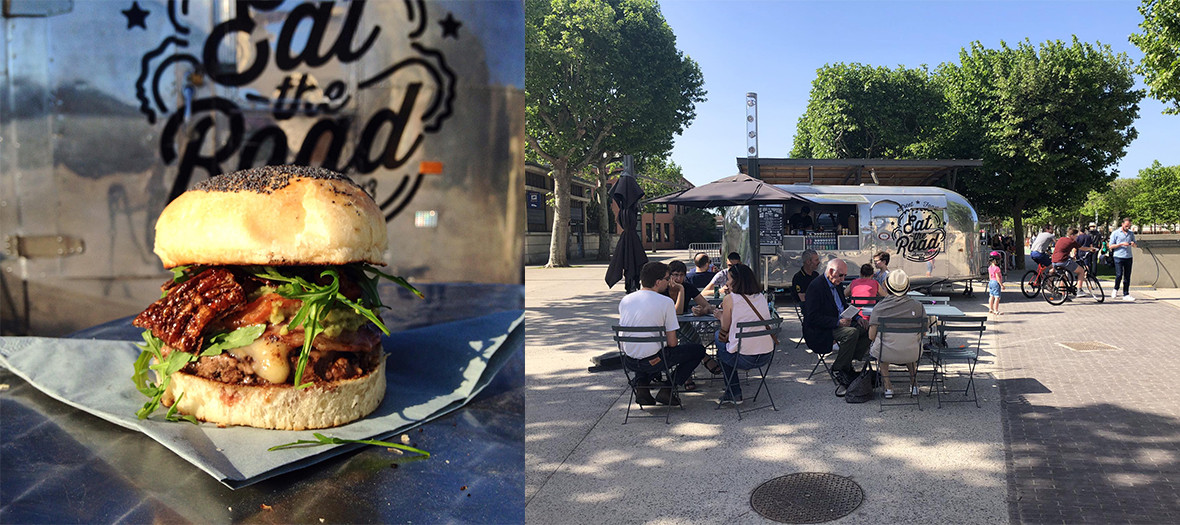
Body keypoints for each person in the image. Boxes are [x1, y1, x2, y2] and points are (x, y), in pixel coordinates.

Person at [618, 262, 707, 406]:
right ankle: (669, 387)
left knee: (646, 350)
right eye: (667, 278)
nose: (669, 281)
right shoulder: (665, 302)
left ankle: (642, 385)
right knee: (698, 350)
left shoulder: (625, 300)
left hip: (629, 361)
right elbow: (673, 343)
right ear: (658, 282)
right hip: (654, 362)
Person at [713, 263, 775, 405]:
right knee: (725, 346)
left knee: (719, 339)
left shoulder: (730, 299)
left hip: (745, 358)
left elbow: (725, 328)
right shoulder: (760, 297)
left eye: (728, 279)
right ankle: (733, 392)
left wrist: (720, 316)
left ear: (736, 280)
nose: (727, 283)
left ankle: (734, 392)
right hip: (766, 355)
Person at [802, 258, 870, 387]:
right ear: (831, 271)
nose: (843, 279)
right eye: (841, 275)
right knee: (851, 333)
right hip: (821, 329)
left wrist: (857, 317)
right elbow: (812, 317)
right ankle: (839, 368)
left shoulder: (837, 284)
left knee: (868, 328)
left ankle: (847, 360)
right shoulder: (816, 287)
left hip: (839, 323)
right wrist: (837, 322)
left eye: (845, 276)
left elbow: (844, 306)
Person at [867, 270, 926, 399]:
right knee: (910, 342)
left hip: (886, 353)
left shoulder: (879, 308)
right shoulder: (918, 307)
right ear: (908, 288)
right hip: (912, 353)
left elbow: (871, 336)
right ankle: (914, 383)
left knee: (882, 346)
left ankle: (888, 386)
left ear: (886, 286)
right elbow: (924, 333)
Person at [1051, 228, 1099, 295]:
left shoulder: (1061, 239)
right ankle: (1079, 290)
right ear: (1072, 235)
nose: (1076, 238)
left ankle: (1063, 295)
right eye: (1076, 236)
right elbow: (1082, 248)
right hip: (1063, 261)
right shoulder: (1072, 242)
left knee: (1063, 277)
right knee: (1081, 271)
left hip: (1054, 261)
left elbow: (1061, 250)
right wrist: (1091, 249)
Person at [1109, 218, 1138, 301]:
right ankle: (1115, 289)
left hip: (1128, 256)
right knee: (1119, 274)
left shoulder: (1131, 233)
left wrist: (1133, 244)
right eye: (1126, 226)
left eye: (1129, 226)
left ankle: (1126, 294)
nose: (1127, 227)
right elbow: (1111, 246)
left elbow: (1135, 244)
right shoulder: (1116, 233)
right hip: (1118, 256)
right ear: (1122, 224)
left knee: (1127, 276)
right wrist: (1121, 244)